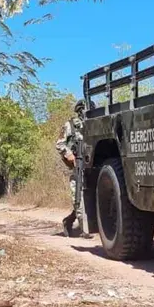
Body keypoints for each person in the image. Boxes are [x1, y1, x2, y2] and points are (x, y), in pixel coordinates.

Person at [55, 100, 90, 237]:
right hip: (78, 165)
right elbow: (59, 144)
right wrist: (69, 155)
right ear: (80, 110)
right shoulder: (70, 125)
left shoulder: (93, 124)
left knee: (88, 198)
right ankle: (84, 229)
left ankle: (70, 220)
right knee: (78, 197)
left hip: (91, 165)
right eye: (85, 109)